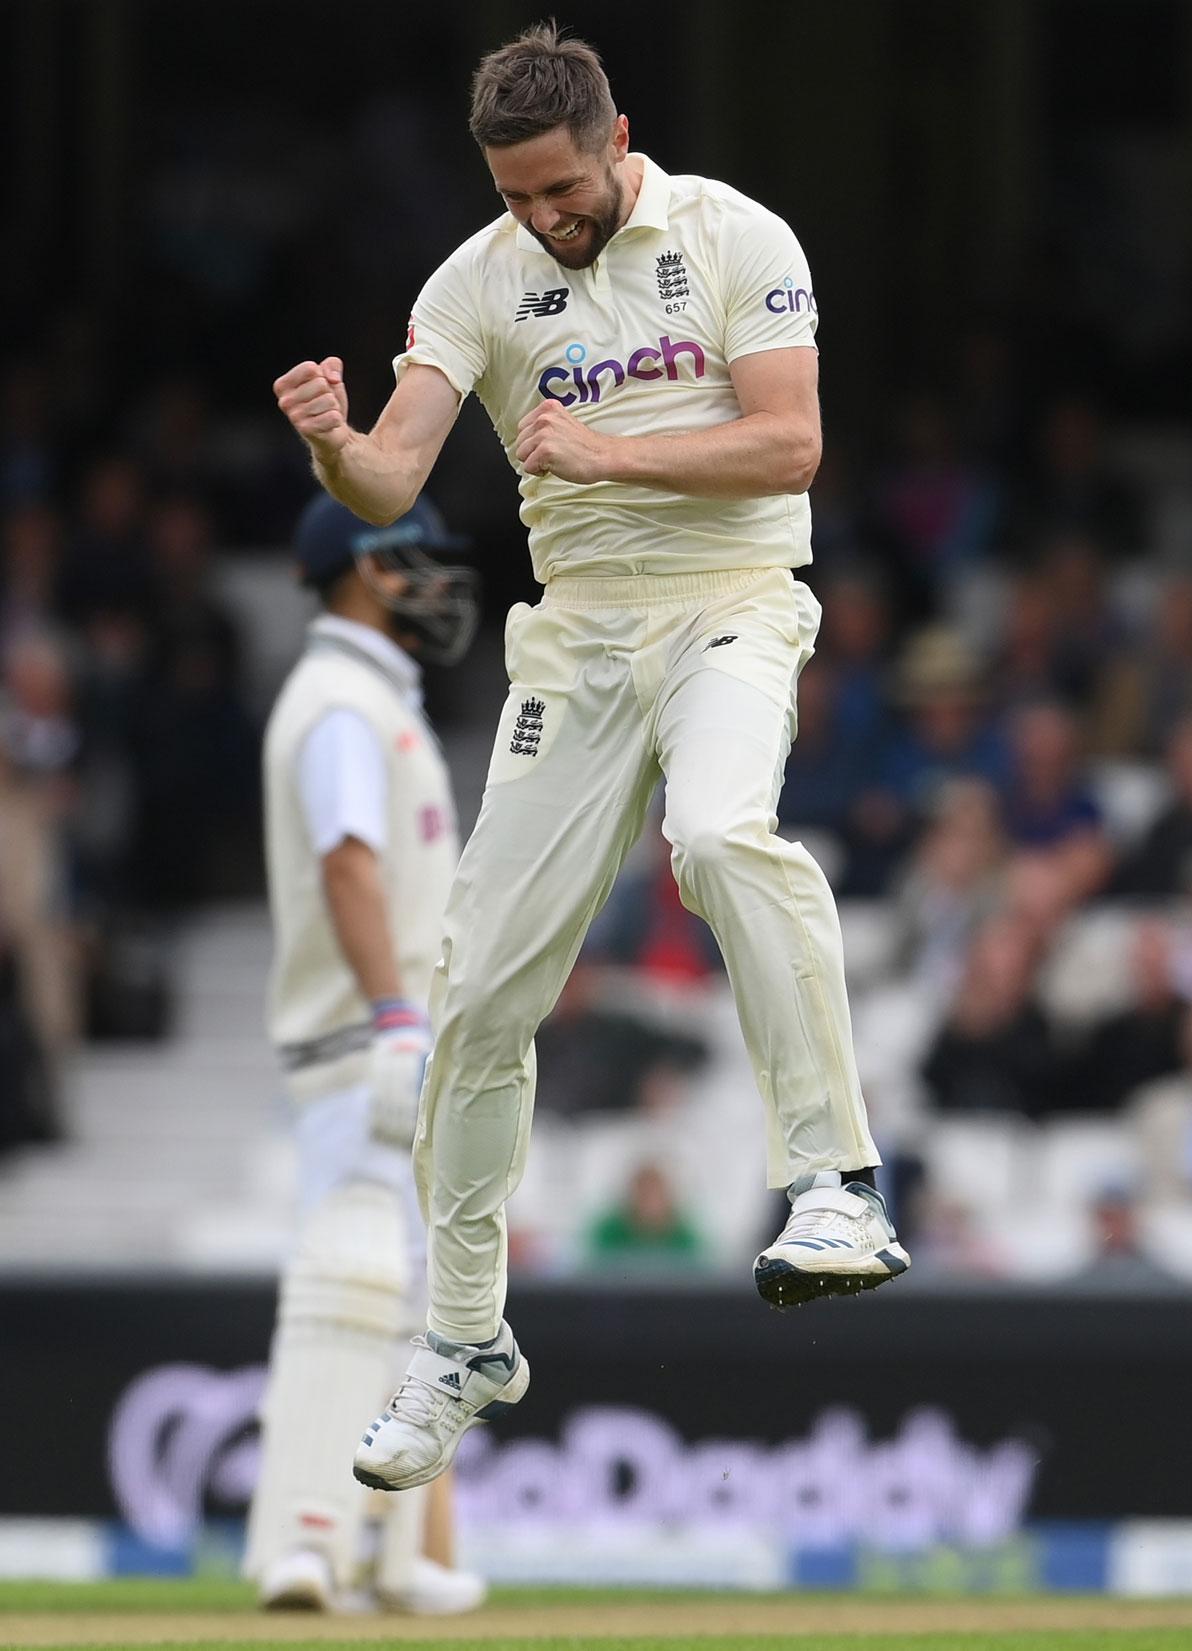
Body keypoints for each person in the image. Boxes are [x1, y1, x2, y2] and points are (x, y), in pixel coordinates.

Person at [272, 22, 910, 1500]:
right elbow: (389, 474)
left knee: (719, 834)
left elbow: (791, 442)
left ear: (617, 138)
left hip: (734, 610)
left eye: (561, 188)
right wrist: (328, 443)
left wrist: (610, 453)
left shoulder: (737, 232)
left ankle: (834, 1183)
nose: (541, 220)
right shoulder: (476, 280)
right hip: (578, 644)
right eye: (514, 197)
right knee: (481, 991)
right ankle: (464, 1337)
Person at [243, 491, 484, 1614]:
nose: (433, 582)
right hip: (361, 1039)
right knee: (347, 1284)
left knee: (404, 1306)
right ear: (362, 571)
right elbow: (347, 862)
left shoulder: (375, 696)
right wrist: (395, 1016)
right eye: (412, 560)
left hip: (389, 1035)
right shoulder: (341, 701)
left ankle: (395, 1554)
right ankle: (300, 1542)